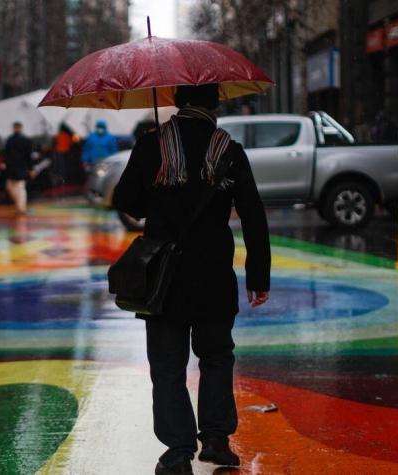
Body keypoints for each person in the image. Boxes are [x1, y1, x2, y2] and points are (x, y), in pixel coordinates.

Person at [112, 83, 271, 475]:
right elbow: (253, 214)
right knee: (216, 357)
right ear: (214, 102)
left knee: (168, 365)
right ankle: (216, 440)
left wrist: (156, 193)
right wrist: (258, 275)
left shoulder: (152, 145)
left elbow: (127, 203)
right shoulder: (228, 150)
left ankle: (178, 453)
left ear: (176, 101)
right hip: (214, 274)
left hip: (164, 279)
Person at [2, 121, 34, 214]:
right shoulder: (24, 140)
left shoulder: (10, 140)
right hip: (20, 168)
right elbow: (29, 156)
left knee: (15, 188)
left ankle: (20, 207)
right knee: (19, 189)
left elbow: (6, 155)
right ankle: (21, 207)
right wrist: (30, 169)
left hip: (13, 169)